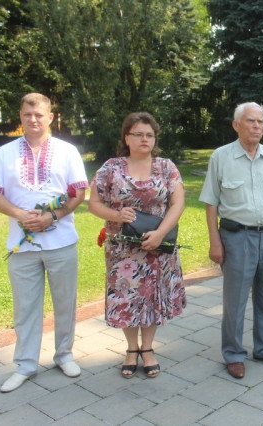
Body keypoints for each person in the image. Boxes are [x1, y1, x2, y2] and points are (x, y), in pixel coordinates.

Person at [0, 93, 88, 392]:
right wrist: (20, 214)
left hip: (61, 241)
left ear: (50, 117)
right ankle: (26, 364)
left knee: (65, 302)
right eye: (27, 114)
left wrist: (52, 216)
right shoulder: (5, 153)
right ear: (20, 115)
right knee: (25, 306)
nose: (33, 119)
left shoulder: (67, 151)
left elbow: (78, 193)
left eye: (39, 114)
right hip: (21, 244)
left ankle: (64, 355)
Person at [89, 112, 186, 379]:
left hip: (157, 246)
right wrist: (116, 215)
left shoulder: (166, 167)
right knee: (127, 297)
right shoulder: (111, 168)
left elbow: (178, 203)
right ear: (127, 138)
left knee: (153, 296)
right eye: (139, 134)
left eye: (150, 135)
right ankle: (132, 349)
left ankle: (148, 348)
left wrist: (160, 234)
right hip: (124, 251)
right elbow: (93, 203)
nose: (145, 139)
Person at [199, 102, 263, 380]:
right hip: (237, 237)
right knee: (235, 300)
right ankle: (234, 354)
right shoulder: (221, 157)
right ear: (236, 125)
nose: (257, 126)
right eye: (251, 121)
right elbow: (211, 203)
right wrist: (215, 242)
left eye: (261, 121)